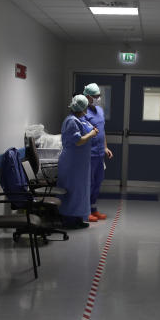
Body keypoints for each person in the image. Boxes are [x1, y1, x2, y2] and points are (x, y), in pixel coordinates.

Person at [56, 94, 99, 229]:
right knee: (72, 191)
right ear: (82, 107)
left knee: (81, 191)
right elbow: (79, 141)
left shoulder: (79, 120)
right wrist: (91, 134)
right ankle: (69, 220)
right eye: (86, 107)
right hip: (72, 163)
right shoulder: (71, 121)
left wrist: (92, 130)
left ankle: (78, 217)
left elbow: (85, 130)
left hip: (80, 164)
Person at [82, 83, 113, 222]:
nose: (98, 98)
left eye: (99, 95)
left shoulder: (99, 110)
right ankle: (86, 211)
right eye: (95, 96)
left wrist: (105, 147)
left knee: (97, 182)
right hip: (89, 154)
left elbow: (102, 131)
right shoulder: (82, 112)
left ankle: (94, 209)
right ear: (87, 97)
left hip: (100, 154)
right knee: (88, 183)